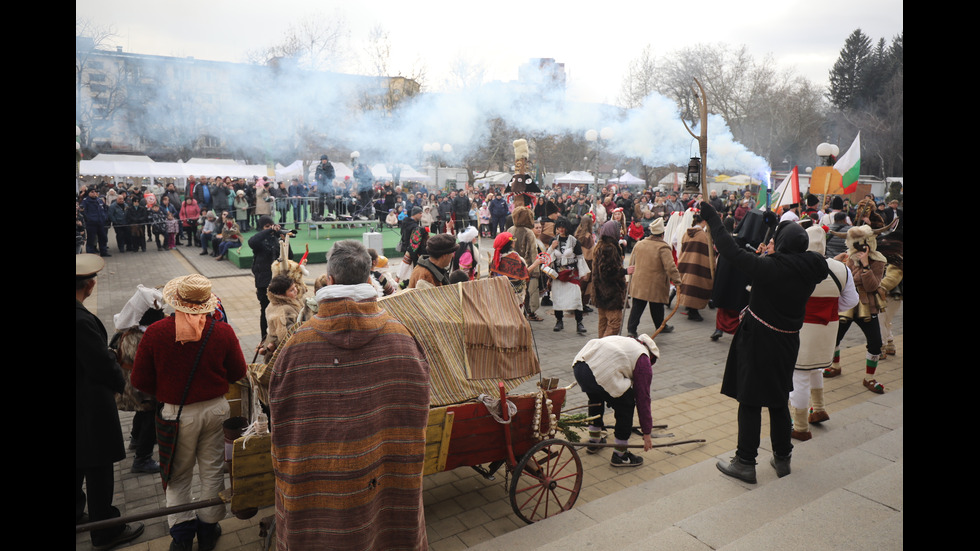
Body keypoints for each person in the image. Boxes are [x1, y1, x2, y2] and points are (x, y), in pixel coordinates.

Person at [270, 240, 430, 550]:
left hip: (318, 505)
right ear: (370, 278)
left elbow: (282, 426)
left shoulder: (295, 348)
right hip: (387, 494)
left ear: (329, 280)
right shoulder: (403, 339)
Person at [699, 201, 829, 483]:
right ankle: (782, 458)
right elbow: (772, 264)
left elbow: (731, 251)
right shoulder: (809, 268)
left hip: (759, 341)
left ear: (781, 244)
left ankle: (745, 461)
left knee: (750, 400)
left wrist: (712, 218)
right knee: (778, 400)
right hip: (787, 342)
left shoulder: (771, 268)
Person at [131, 274, 247, 551]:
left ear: (176, 300)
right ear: (207, 303)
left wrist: (166, 389)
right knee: (212, 470)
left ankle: (182, 537)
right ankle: (209, 528)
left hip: (176, 413)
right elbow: (238, 372)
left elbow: (139, 380)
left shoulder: (156, 333)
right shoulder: (222, 331)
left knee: (177, 475)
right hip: (216, 409)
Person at [76, 254, 145, 549]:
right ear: (89, 285)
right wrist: (119, 381)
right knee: (99, 467)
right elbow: (101, 363)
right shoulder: (80, 321)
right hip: (89, 405)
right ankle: (105, 530)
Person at [789, 225, 858, 440]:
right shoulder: (841, 268)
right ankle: (818, 408)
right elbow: (852, 301)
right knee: (816, 369)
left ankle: (800, 428)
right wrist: (829, 310)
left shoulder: (795, 266)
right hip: (828, 328)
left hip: (801, 329)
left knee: (799, 376)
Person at [572, 334, 659, 467]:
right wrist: (647, 432)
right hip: (599, 371)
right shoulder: (643, 359)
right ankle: (620, 454)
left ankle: (594, 440)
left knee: (596, 397)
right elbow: (643, 398)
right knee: (627, 404)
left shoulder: (628, 342)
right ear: (651, 356)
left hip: (580, 365)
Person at [824, 225, 888, 394]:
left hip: (867, 304)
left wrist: (865, 265)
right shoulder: (848, 257)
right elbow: (846, 280)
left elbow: (872, 285)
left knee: (875, 343)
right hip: (847, 303)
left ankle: (869, 377)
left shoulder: (879, 260)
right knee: (834, 337)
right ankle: (835, 366)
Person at [627, 217, 681, 337]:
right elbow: (670, 267)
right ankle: (660, 326)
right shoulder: (663, 247)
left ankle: (632, 330)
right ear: (662, 234)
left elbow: (631, 262)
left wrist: (630, 280)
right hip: (655, 284)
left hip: (640, 282)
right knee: (656, 306)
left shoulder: (640, 244)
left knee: (638, 307)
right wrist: (677, 281)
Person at [548, 216, 590, 333]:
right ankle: (559, 321)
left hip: (572, 274)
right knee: (557, 298)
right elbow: (547, 258)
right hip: (557, 274)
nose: (561, 229)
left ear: (567, 228)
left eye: (563, 227)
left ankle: (579, 322)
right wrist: (552, 248)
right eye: (559, 227)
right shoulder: (553, 240)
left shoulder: (574, 241)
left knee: (576, 298)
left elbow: (580, 258)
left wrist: (583, 273)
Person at [592, 221, 634, 337]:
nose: (620, 232)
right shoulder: (609, 248)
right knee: (614, 323)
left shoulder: (601, 245)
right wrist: (625, 271)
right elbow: (607, 272)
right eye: (618, 229)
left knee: (603, 323)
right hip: (610, 293)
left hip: (601, 291)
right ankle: (605, 347)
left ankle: (599, 347)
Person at [248, 216, 285, 340]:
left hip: (277, 280)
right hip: (263, 282)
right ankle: (264, 338)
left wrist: (285, 240)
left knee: (279, 310)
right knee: (265, 310)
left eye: (271, 225)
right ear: (262, 228)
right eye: (266, 226)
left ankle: (276, 337)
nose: (270, 229)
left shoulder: (275, 240)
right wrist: (269, 231)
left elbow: (289, 255)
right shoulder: (259, 241)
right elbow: (252, 242)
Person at [677, 212, 712, 322]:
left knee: (687, 286)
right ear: (704, 222)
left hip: (686, 263)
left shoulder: (687, 233)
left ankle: (689, 308)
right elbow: (708, 253)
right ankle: (693, 311)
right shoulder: (703, 235)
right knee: (695, 287)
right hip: (698, 265)